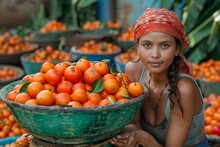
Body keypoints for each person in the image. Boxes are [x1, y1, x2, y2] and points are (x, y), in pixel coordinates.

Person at [111, 8, 208, 147]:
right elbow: (134, 123)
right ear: (137, 47)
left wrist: (145, 139)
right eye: (147, 45)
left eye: (165, 45)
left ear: (177, 49)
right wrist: (129, 136)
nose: (155, 54)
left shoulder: (184, 89)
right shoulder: (134, 71)